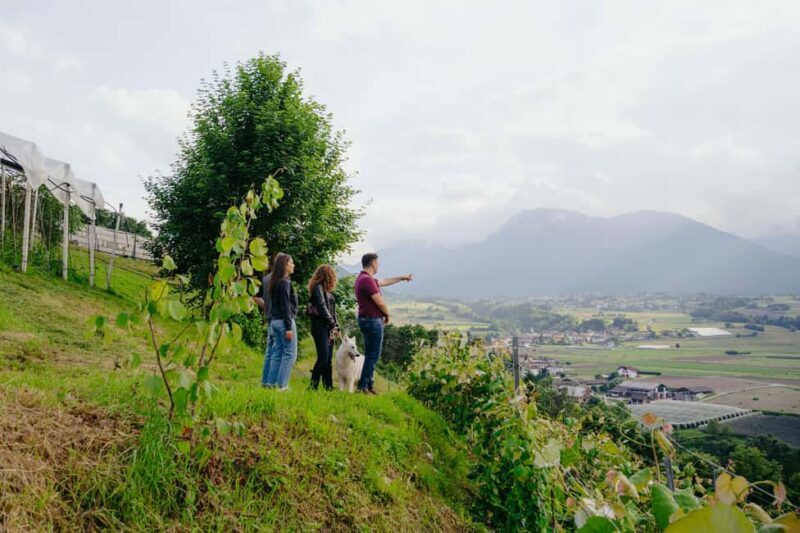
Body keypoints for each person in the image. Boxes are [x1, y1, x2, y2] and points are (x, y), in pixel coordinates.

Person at [354, 253, 413, 394]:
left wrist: (401, 277)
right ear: (373, 263)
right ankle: (363, 386)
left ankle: (368, 384)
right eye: (378, 263)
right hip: (372, 320)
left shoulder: (364, 279)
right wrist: (387, 314)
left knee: (370, 354)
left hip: (366, 319)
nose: (379, 265)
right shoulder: (367, 280)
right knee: (373, 354)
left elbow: (384, 281)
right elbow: (379, 301)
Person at [263, 253, 298, 390]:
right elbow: (285, 306)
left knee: (277, 353)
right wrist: (289, 327)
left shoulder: (274, 281)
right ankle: (282, 386)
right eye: (291, 263)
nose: (293, 265)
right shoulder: (284, 282)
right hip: (284, 322)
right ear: (285, 265)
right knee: (290, 354)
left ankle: (270, 383)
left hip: (274, 322)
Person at [308, 265, 339, 390]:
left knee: (328, 359)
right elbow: (322, 307)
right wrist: (332, 323)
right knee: (323, 358)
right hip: (320, 326)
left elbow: (333, 311)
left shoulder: (327, 292)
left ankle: (328, 387)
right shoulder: (317, 288)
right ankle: (312, 387)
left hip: (328, 327)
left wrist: (336, 325)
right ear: (329, 276)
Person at [254, 272, 274, 387]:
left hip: (270, 317)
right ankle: (272, 382)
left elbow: (256, 296)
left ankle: (265, 381)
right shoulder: (279, 278)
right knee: (277, 352)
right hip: (278, 317)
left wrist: (267, 308)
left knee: (269, 351)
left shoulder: (266, 278)